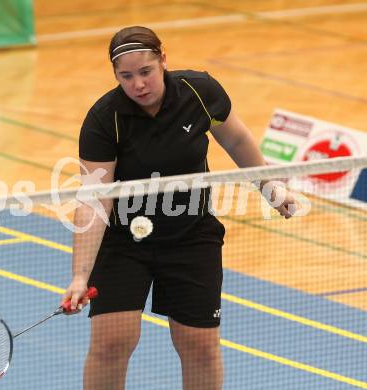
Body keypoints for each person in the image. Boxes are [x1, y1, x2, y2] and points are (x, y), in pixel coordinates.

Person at [61, 26, 296, 390]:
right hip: (124, 241)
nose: (138, 84)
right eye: (127, 76)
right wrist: (80, 275)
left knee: (200, 347)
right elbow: (93, 198)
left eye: (146, 71)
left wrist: (269, 186)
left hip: (191, 237)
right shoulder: (104, 119)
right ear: (116, 76)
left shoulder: (199, 92)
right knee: (111, 343)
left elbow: (235, 138)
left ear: (163, 61)